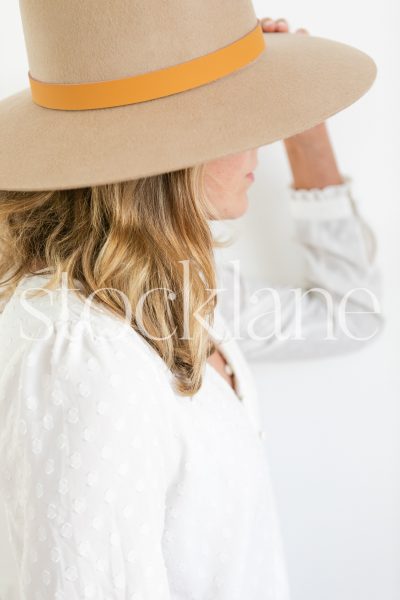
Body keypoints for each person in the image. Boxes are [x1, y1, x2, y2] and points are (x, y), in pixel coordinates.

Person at [0, 4, 383, 600]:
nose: (265, 136)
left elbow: (352, 316)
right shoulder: (82, 355)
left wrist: (306, 132)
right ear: (172, 154)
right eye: (246, 115)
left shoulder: (170, 290)